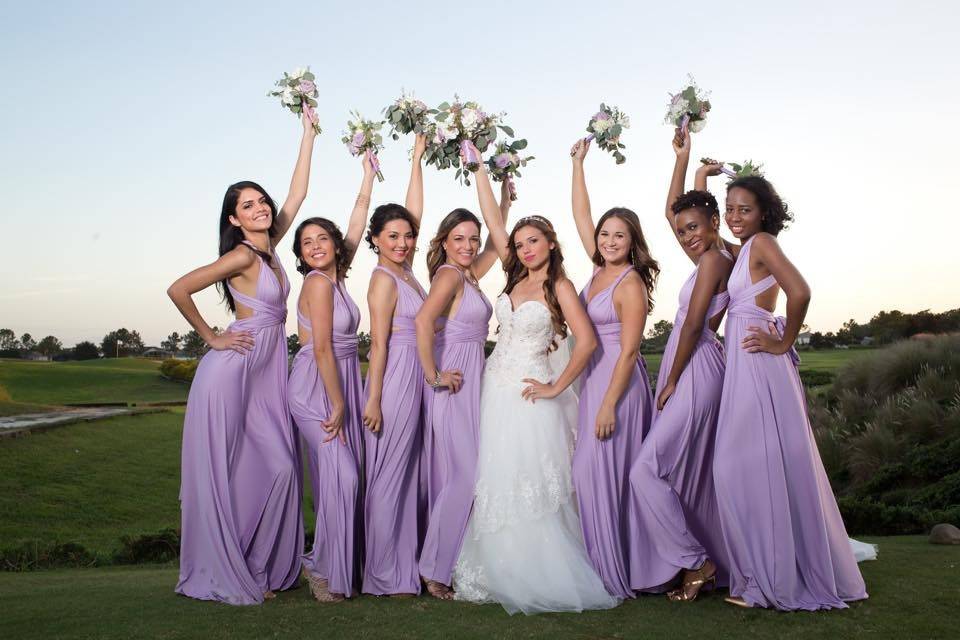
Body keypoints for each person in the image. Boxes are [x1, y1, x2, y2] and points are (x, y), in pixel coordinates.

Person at [451, 144, 620, 615]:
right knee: (497, 473)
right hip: (495, 388)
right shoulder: (513, 280)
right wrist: (481, 167)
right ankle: (495, 564)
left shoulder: (559, 286)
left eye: (533, 242)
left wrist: (555, 386)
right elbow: (492, 216)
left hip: (532, 393)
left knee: (529, 477)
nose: (525, 248)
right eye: (520, 243)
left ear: (551, 245)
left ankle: (536, 569)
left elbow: (585, 342)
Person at [699, 162, 869, 610]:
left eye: (745, 209)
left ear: (763, 213)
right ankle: (765, 574)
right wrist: (698, 173)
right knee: (752, 468)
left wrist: (783, 341)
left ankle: (768, 582)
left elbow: (801, 291)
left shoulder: (762, 243)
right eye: (730, 208)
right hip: (743, 361)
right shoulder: (741, 251)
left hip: (758, 360)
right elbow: (697, 224)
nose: (735, 217)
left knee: (741, 468)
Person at [168, 114, 315, 605]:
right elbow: (179, 288)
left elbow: (295, 196)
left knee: (278, 467)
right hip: (235, 369)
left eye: (261, 201)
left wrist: (308, 135)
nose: (260, 208)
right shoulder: (244, 257)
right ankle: (236, 567)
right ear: (233, 219)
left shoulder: (270, 248)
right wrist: (211, 336)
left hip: (268, 371)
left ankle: (261, 567)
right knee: (249, 468)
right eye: (247, 205)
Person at [627, 130, 732, 601]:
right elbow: (678, 210)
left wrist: (669, 380)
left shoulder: (714, 260)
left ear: (714, 222)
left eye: (695, 227)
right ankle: (696, 560)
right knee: (678, 471)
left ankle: (697, 562)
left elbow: (691, 325)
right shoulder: (717, 248)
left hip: (697, 362)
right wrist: (688, 163)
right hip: (692, 360)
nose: (687, 235)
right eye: (683, 229)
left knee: (645, 470)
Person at [568, 138, 657, 598]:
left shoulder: (630, 283)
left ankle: (615, 575)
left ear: (632, 242)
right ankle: (608, 566)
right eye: (605, 234)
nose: (608, 240)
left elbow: (627, 351)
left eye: (619, 235)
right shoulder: (598, 269)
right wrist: (578, 165)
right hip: (593, 382)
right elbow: (582, 215)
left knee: (598, 474)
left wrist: (607, 405)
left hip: (618, 389)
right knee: (592, 476)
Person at [287, 152, 377, 602]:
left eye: (323, 238)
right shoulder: (318, 284)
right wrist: (341, 403)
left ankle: (336, 563)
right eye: (307, 242)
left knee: (342, 476)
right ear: (301, 255)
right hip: (315, 387)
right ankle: (321, 567)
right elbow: (321, 347)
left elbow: (356, 225)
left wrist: (366, 177)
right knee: (342, 475)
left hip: (340, 378)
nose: (316, 245)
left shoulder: (338, 278)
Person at [415, 182, 511, 599]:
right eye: (460, 239)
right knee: (464, 475)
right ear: (444, 242)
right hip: (453, 381)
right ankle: (433, 569)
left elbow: (495, 242)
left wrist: (503, 201)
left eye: (472, 239)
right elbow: (422, 322)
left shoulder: (468, 273)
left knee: (469, 473)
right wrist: (434, 374)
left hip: (474, 377)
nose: (470, 245)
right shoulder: (449, 274)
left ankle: (449, 562)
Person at [361, 134, 428, 596]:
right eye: (393, 236)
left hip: (419, 376)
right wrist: (374, 400)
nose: (403, 242)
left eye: (407, 236)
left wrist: (417, 160)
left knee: (408, 474)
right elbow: (378, 345)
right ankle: (383, 574)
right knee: (389, 475)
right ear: (376, 240)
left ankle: (405, 565)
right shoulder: (384, 279)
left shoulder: (408, 272)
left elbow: (414, 211)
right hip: (397, 379)